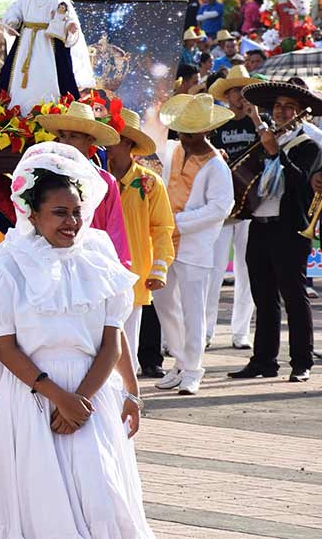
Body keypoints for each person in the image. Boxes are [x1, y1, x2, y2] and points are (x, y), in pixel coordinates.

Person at [0, 142, 152, 538]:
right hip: (30, 392)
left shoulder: (98, 258)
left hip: (92, 392)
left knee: (100, 494)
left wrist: (121, 393)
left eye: (77, 213)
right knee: (37, 496)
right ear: (32, 213)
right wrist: (53, 396)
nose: (71, 223)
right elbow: (4, 343)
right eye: (59, 213)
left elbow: (112, 341)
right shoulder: (5, 264)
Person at [230, 81, 322, 382]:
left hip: (290, 229)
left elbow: (301, 187)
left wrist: (275, 153)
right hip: (259, 225)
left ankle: (302, 361)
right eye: (279, 106)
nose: (282, 112)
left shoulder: (308, 146)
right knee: (263, 296)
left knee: (294, 296)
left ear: (301, 114)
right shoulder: (268, 137)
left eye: (289, 107)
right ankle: (264, 361)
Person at [151, 93, 234, 395]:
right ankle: (181, 361)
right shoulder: (172, 150)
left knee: (192, 309)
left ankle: (194, 369)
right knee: (163, 302)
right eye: (182, 129)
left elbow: (220, 208)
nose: (184, 136)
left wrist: (176, 222)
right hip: (162, 241)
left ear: (206, 130)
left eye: (190, 131)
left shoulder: (217, 166)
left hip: (193, 246)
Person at [105, 108, 175, 371]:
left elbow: (162, 228)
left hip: (134, 273)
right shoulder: (95, 179)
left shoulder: (150, 183)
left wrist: (159, 269)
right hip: (99, 271)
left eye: (113, 138)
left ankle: (128, 401)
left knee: (128, 349)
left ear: (127, 143)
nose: (105, 145)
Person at [35, 100, 132, 266]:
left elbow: (115, 229)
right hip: (50, 260)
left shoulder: (105, 181)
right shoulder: (45, 175)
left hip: (92, 261)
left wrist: (118, 267)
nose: (66, 142)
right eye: (63, 136)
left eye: (74, 136)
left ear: (90, 140)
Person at [208, 66, 263, 349]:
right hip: (223, 206)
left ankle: (240, 332)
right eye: (233, 92)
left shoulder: (259, 122)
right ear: (226, 96)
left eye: (243, 92)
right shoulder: (217, 124)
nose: (239, 98)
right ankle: (206, 331)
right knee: (214, 270)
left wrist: (256, 119)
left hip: (253, 204)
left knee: (247, 270)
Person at [0, 0, 90, 110]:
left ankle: (46, 107)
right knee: (19, 75)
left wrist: (70, 26)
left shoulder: (58, 0)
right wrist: (13, 21)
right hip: (26, 42)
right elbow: (14, 11)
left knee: (47, 75)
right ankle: (18, 108)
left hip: (48, 44)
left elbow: (66, 18)